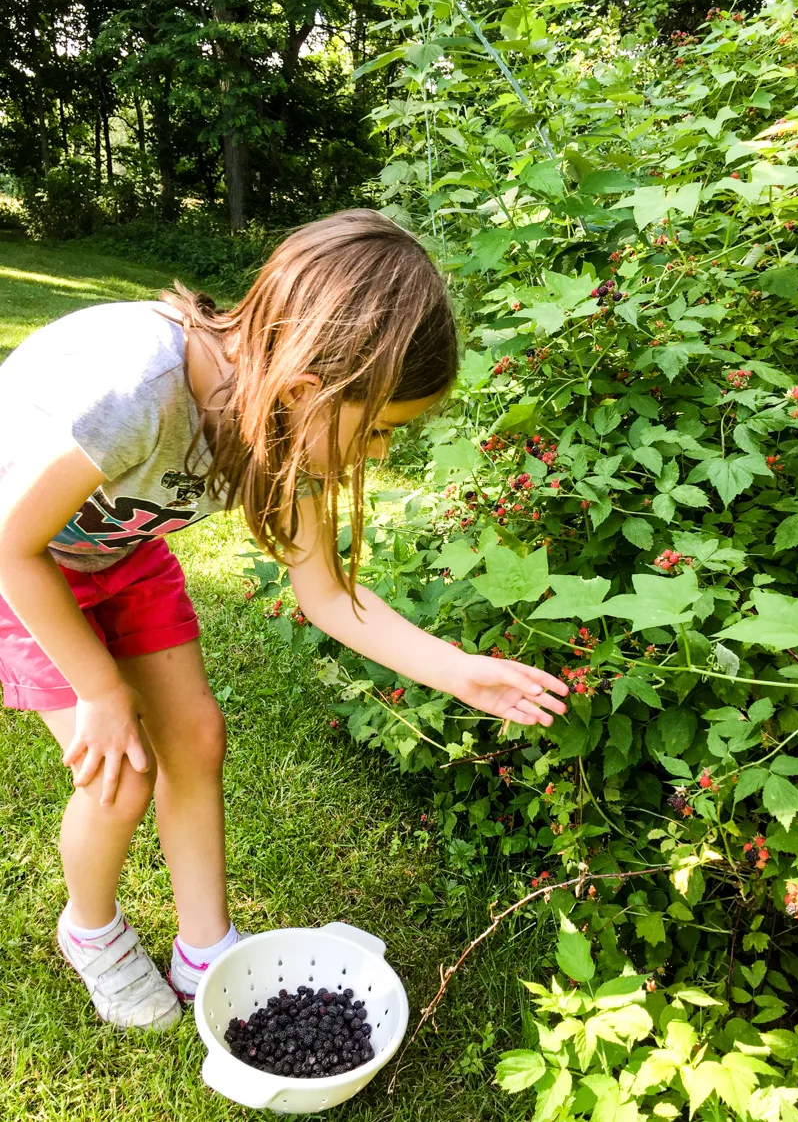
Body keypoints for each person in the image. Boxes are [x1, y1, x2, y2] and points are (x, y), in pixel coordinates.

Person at [0, 208, 568, 1031]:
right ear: (310, 385)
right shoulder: (136, 388)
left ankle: (207, 949)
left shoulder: (283, 418)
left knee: (195, 736)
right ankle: (91, 933)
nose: (375, 455)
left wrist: (457, 669)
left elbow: (326, 597)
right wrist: (98, 686)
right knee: (121, 771)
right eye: (374, 430)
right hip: (28, 563)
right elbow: (13, 546)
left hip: (122, 555)